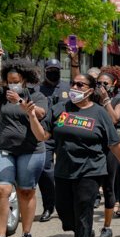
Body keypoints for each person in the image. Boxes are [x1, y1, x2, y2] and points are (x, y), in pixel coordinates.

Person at [27, 73, 120, 237]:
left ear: (90, 91)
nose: (75, 87)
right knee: (65, 212)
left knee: (84, 208)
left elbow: (114, 143)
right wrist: (32, 116)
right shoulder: (60, 109)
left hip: (91, 170)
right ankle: (81, 229)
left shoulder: (100, 113)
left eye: (80, 84)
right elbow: (42, 135)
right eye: (73, 83)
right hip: (64, 170)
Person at [0, 47, 48, 237]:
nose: (12, 84)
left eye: (16, 80)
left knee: (26, 191)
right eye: (9, 80)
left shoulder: (36, 96)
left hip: (30, 150)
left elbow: (40, 112)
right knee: (1, 190)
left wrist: (20, 102)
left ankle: (26, 233)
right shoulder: (2, 95)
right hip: (5, 149)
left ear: (25, 80)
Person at [34, 57, 71, 223]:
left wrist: (61, 126)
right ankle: (49, 206)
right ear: (45, 71)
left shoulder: (67, 87)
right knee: (46, 171)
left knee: (67, 170)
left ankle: (67, 203)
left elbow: (70, 109)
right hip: (46, 134)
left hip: (63, 133)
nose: (54, 73)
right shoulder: (38, 89)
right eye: (51, 71)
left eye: (57, 71)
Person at [93, 66, 120, 237]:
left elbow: (114, 119)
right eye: (98, 83)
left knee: (108, 186)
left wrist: (106, 100)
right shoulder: (91, 97)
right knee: (88, 188)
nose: (101, 86)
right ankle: (86, 225)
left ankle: (107, 226)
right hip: (91, 146)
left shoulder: (118, 99)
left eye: (105, 83)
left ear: (113, 84)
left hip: (110, 148)